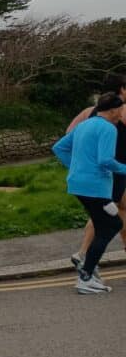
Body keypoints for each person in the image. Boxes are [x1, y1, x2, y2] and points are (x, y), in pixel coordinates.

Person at [52, 92, 126, 294]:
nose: (122, 113)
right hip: (96, 187)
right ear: (113, 110)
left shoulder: (85, 124)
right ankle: (85, 276)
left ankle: (87, 272)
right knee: (112, 226)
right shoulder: (109, 129)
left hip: (79, 184)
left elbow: (58, 147)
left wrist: (76, 166)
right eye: (121, 109)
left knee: (105, 224)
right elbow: (105, 160)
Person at [65, 75, 126, 271]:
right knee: (119, 213)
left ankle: (82, 253)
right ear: (122, 90)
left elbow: (69, 134)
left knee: (102, 214)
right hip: (117, 170)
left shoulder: (89, 112)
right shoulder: (122, 109)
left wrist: (80, 162)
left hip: (96, 174)